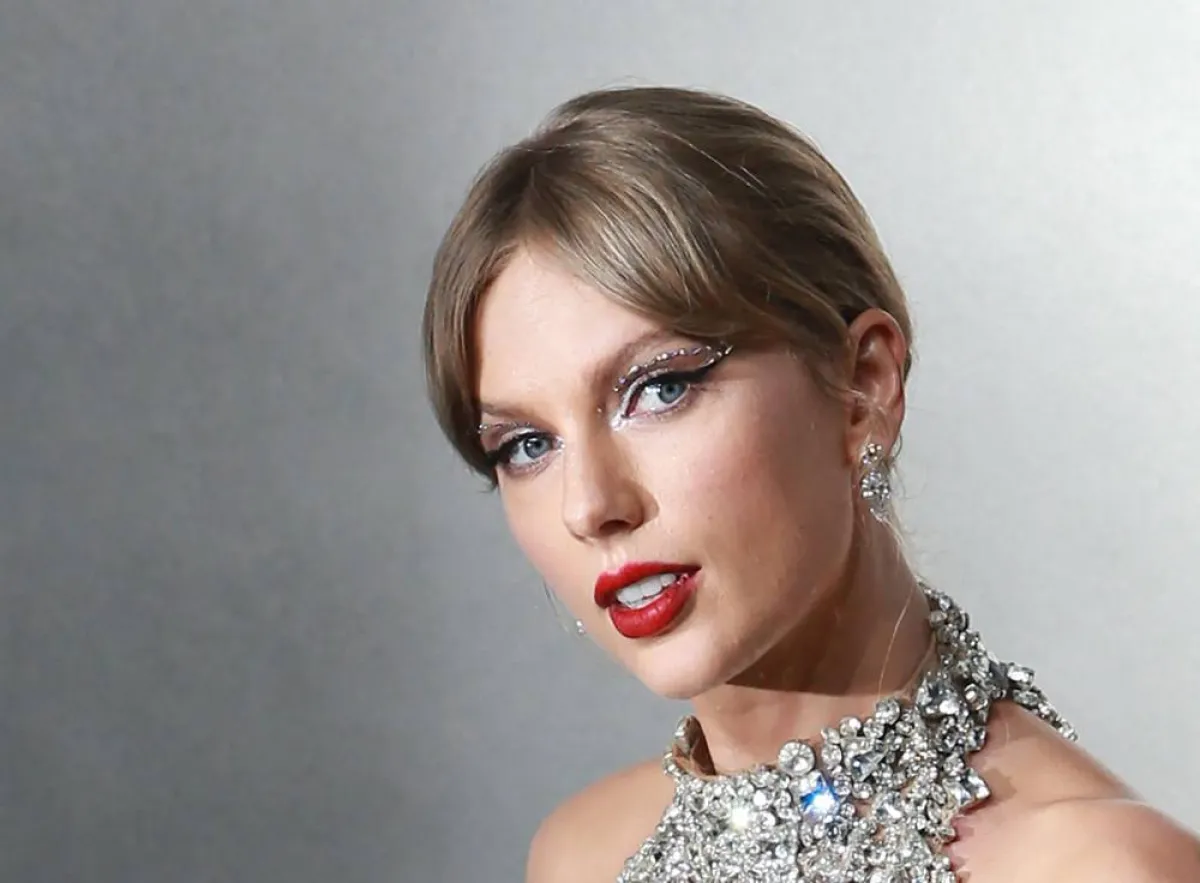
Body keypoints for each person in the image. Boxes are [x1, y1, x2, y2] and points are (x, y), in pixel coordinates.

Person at [421, 86, 1199, 882]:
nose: (590, 505)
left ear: (864, 386)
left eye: (660, 388)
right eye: (526, 445)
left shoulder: (1098, 868)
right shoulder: (580, 857)